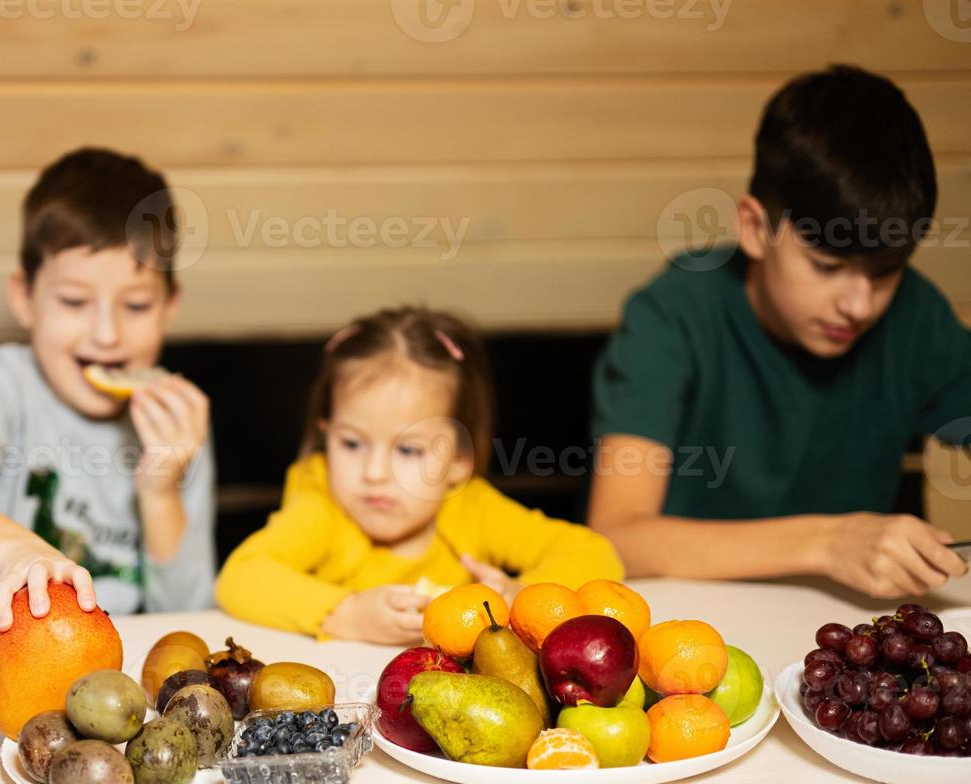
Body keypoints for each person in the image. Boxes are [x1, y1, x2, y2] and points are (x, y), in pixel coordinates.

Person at [590, 65, 971, 600]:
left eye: (886, 271)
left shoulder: (916, 315)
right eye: (826, 266)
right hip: (692, 636)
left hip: (855, 639)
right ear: (753, 228)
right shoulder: (672, 315)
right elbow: (617, 537)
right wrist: (829, 541)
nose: (858, 305)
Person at [0, 147, 215, 633]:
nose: (106, 334)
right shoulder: (2, 380)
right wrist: (21, 552)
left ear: (170, 306)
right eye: (75, 301)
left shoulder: (177, 422)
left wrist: (162, 490)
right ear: (25, 298)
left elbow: (191, 615)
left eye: (138, 305)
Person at [215, 307, 623, 645]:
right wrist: (347, 614)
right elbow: (241, 577)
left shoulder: (467, 505)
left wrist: (521, 597)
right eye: (352, 444)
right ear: (326, 433)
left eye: (408, 450)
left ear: (459, 461)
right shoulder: (324, 504)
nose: (374, 473)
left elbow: (594, 553)